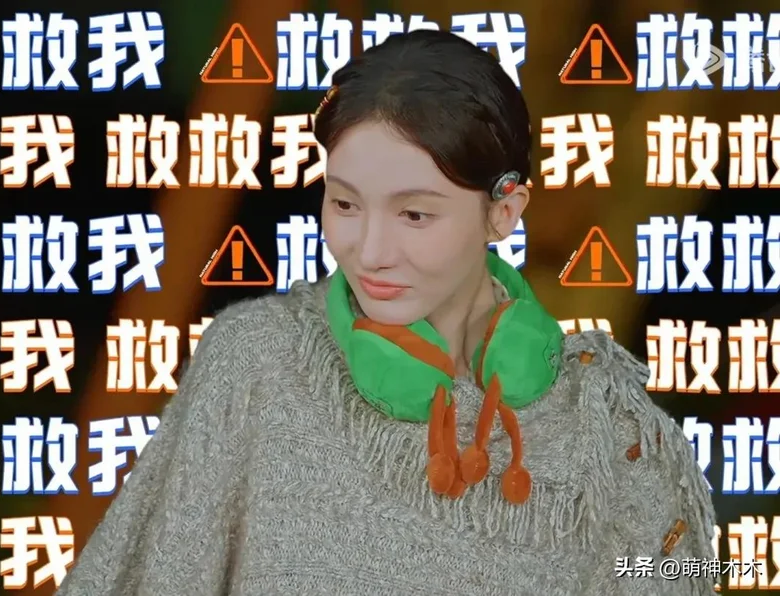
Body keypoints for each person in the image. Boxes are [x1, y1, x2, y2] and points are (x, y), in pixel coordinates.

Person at [57, 30, 716, 595]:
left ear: (503, 211)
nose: (369, 251)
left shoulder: (608, 428)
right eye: (345, 204)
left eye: (415, 214)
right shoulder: (256, 363)